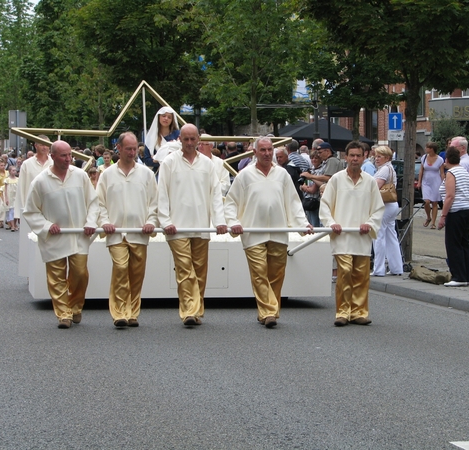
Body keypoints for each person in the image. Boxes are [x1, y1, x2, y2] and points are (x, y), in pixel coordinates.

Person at [224, 136, 313, 328]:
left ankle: (268, 310)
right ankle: (269, 312)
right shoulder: (244, 175)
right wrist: (233, 222)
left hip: (278, 231)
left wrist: (303, 224)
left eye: (269, 150)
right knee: (259, 273)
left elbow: (293, 202)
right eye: (262, 150)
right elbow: (231, 202)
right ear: (254, 152)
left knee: (276, 274)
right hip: (253, 233)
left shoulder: (282, 174)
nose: (266, 153)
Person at [23, 140, 99, 329]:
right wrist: (47, 226)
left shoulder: (80, 176)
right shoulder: (41, 181)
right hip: (55, 237)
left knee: (80, 273)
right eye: (63, 156)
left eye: (69, 155)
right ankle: (63, 314)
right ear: (53, 156)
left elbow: (93, 203)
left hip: (77, 235)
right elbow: (31, 211)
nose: (68, 159)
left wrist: (90, 223)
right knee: (56, 276)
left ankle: (75, 306)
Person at [158, 124, 227, 326]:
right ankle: (189, 310)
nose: (189, 143)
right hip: (176, 227)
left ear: (198, 140)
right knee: (184, 269)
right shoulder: (169, 163)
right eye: (185, 139)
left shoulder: (208, 164)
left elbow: (215, 194)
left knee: (199, 270)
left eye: (192, 139)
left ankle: (196, 310)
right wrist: (165, 220)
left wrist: (219, 220)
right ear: (179, 139)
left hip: (201, 225)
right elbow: (161, 193)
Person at [97, 132, 158, 328]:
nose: (132, 153)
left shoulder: (146, 174)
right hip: (116, 233)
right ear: (119, 148)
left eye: (134, 149)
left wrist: (151, 221)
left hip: (139, 233)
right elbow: (99, 202)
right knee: (121, 268)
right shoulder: (107, 175)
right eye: (128, 149)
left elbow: (154, 203)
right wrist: (105, 221)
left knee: (136, 274)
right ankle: (119, 312)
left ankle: (132, 312)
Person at [320, 142, 384, 326]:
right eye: (352, 155)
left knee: (361, 275)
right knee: (345, 272)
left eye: (358, 156)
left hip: (361, 236)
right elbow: (325, 205)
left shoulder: (370, 181)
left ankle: (359, 312)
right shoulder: (337, 180)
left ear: (364, 157)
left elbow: (378, 208)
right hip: (342, 236)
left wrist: (370, 224)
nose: (355, 159)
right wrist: (332, 224)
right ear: (346, 157)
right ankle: (342, 311)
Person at [437, 147, 469, 287]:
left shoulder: (451, 173)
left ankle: (458, 276)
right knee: (464, 243)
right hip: (468, 209)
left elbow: (450, 196)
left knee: (453, 244)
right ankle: (466, 275)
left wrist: (443, 216)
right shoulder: (464, 171)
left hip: (456, 211)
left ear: (446, 160)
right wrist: (467, 202)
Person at [371, 145, 404, 277]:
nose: (376, 158)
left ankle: (379, 269)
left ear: (387, 158)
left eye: (379, 156)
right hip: (391, 204)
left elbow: (375, 187)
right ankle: (396, 267)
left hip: (384, 205)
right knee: (391, 236)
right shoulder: (388, 168)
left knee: (378, 236)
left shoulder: (384, 169)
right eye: (376, 156)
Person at [15, 135, 52, 223]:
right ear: (36, 146)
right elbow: (21, 187)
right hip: (32, 207)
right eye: (42, 145)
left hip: (51, 206)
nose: (44, 147)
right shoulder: (27, 164)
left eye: (46, 145)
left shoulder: (54, 163)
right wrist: (19, 212)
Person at [143, 106, 181, 174]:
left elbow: (180, 154)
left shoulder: (178, 134)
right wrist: (157, 160)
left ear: (172, 120)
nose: (166, 118)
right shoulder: (151, 137)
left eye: (169, 117)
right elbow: (147, 160)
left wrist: (157, 158)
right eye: (163, 116)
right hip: (157, 173)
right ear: (159, 117)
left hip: (174, 172)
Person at [416, 142, 444, 229]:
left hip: (436, 181)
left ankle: (433, 222)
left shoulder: (440, 159)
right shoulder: (424, 158)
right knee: (426, 201)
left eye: (427, 147)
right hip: (426, 182)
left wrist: (445, 183)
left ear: (431, 149)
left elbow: (442, 173)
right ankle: (428, 217)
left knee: (435, 202)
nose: (425, 148)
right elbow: (421, 171)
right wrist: (419, 182)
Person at [300, 150, 324, 227]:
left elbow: (313, 190)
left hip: (316, 202)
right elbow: (301, 185)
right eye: (312, 158)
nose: (314, 160)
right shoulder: (310, 170)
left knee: (315, 225)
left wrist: (305, 187)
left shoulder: (321, 171)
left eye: (316, 158)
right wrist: (304, 187)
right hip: (308, 201)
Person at [4, 165, 19, 232]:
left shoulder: (18, 179)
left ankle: (14, 224)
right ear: (9, 171)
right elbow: (6, 190)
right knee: (10, 211)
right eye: (13, 170)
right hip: (10, 197)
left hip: (16, 197)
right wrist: (6, 198)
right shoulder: (7, 180)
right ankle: (12, 225)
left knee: (15, 211)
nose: (14, 172)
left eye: (15, 170)